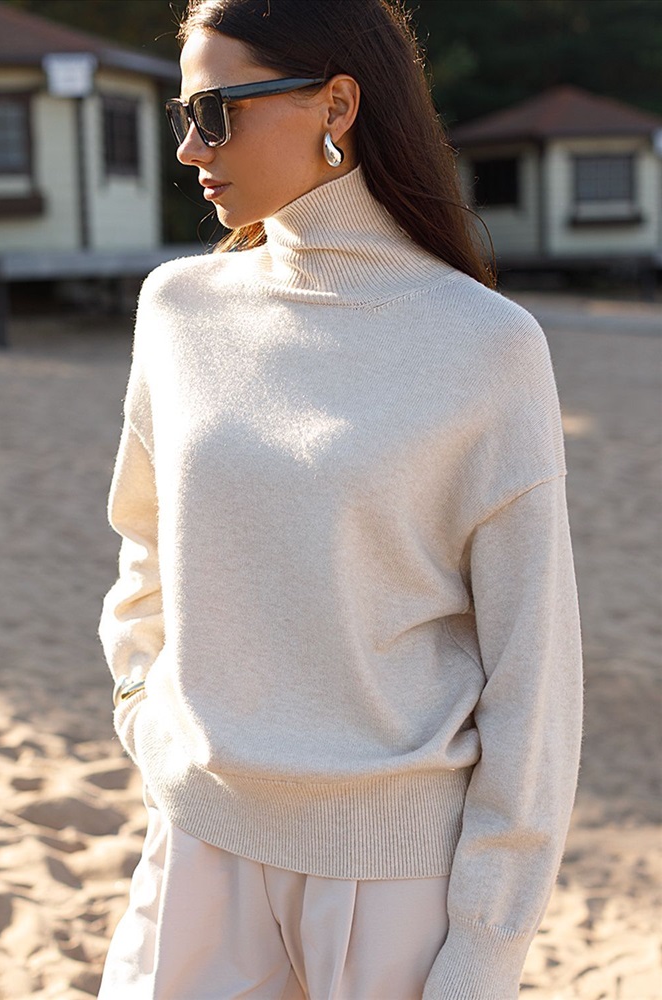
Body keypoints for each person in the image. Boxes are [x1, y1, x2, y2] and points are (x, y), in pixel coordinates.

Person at [96, 0, 583, 997]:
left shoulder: (487, 346)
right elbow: (143, 555)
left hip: (391, 884)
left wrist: (485, 948)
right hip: (195, 847)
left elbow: (534, 673)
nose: (189, 147)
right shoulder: (178, 311)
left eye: (216, 112)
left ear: (337, 103)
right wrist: (146, 716)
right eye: (184, 114)